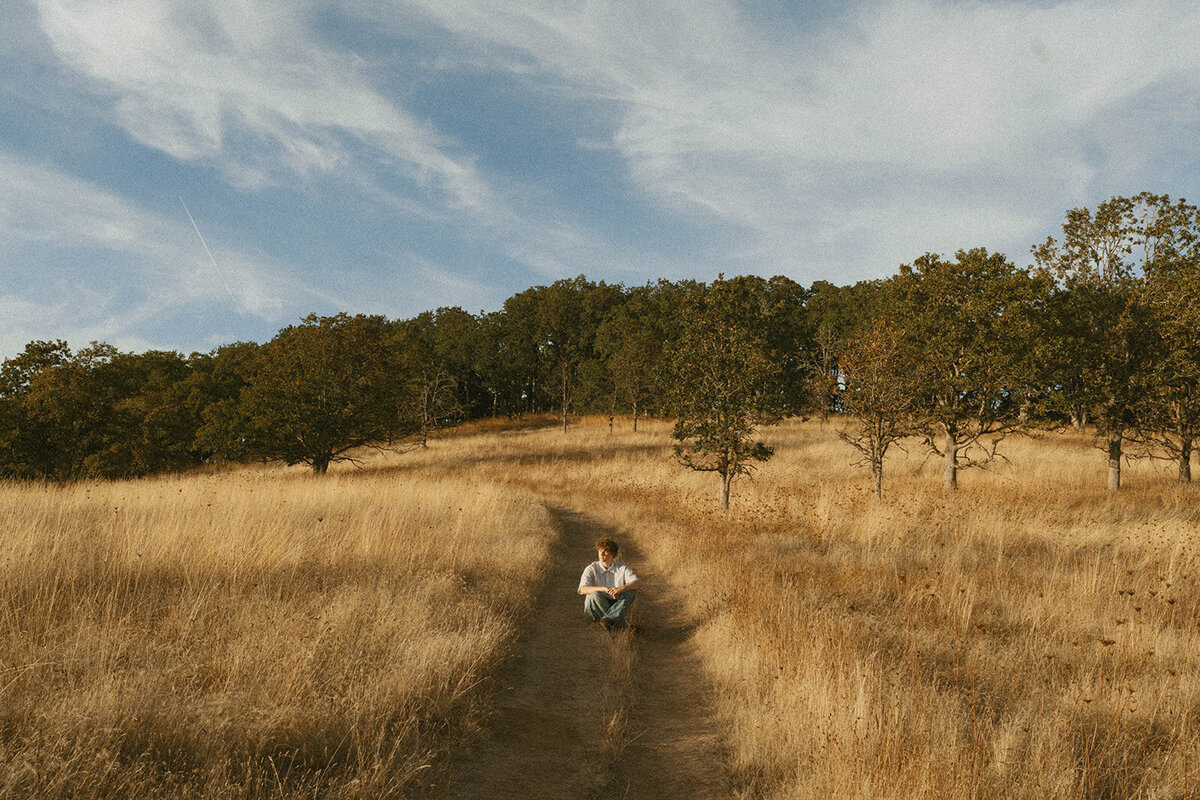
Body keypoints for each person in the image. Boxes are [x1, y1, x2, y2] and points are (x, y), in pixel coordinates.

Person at [578, 537, 639, 630]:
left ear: (612, 554)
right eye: (600, 551)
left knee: (631, 591)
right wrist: (602, 589)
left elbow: (637, 583)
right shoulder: (591, 568)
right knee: (594, 594)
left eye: (605, 551)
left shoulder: (622, 568)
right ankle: (622, 625)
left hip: (614, 604)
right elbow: (582, 589)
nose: (602, 554)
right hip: (596, 607)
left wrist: (620, 589)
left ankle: (609, 621)